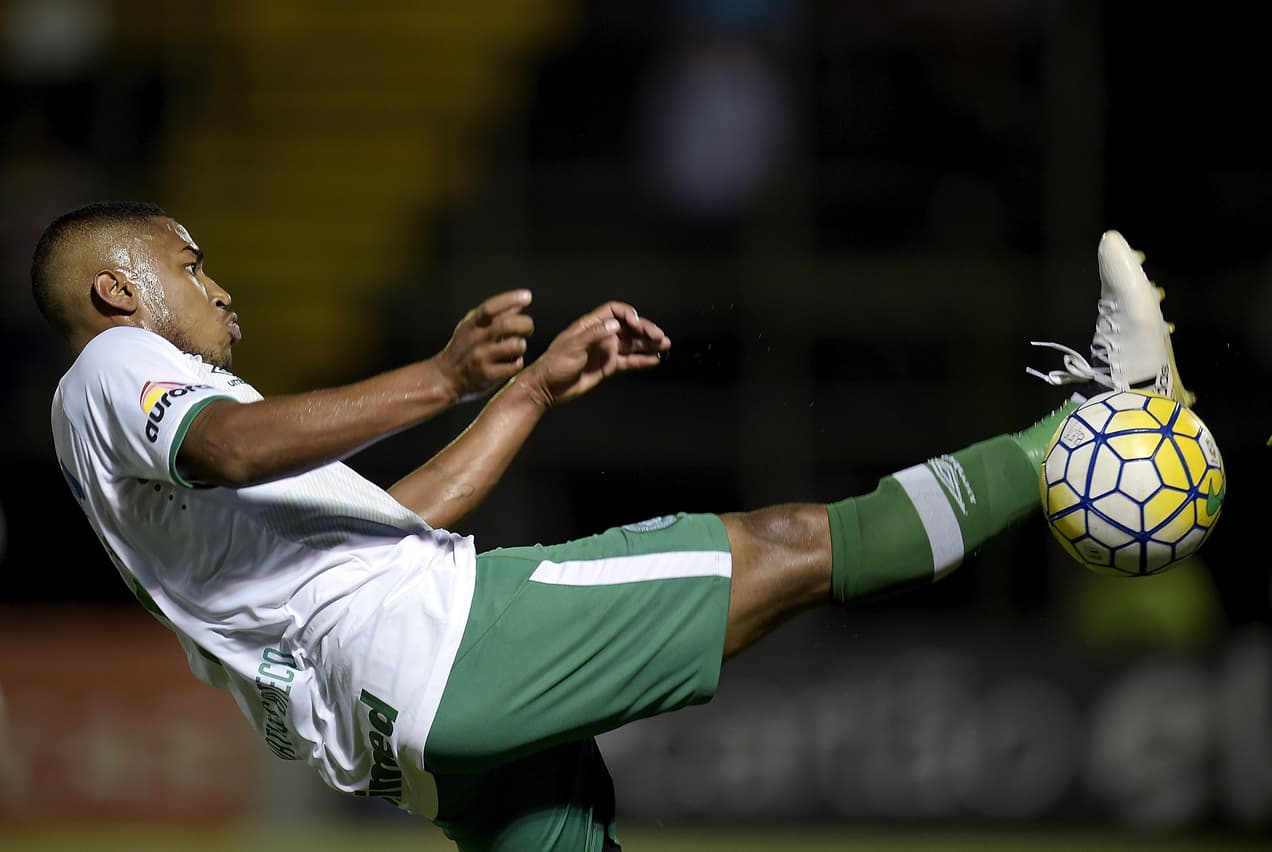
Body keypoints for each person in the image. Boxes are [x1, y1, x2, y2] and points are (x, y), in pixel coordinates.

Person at [30, 200, 1192, 851]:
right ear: (120, 291)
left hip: (394, 732)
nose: (220, 288)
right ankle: (1091, 427)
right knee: (788, 544)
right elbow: (235, 444)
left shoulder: (132, 454)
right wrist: (440, 376)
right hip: (434, 648)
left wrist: (524, 392)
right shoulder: (116, 370)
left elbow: (402, 516)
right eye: (192, 262)